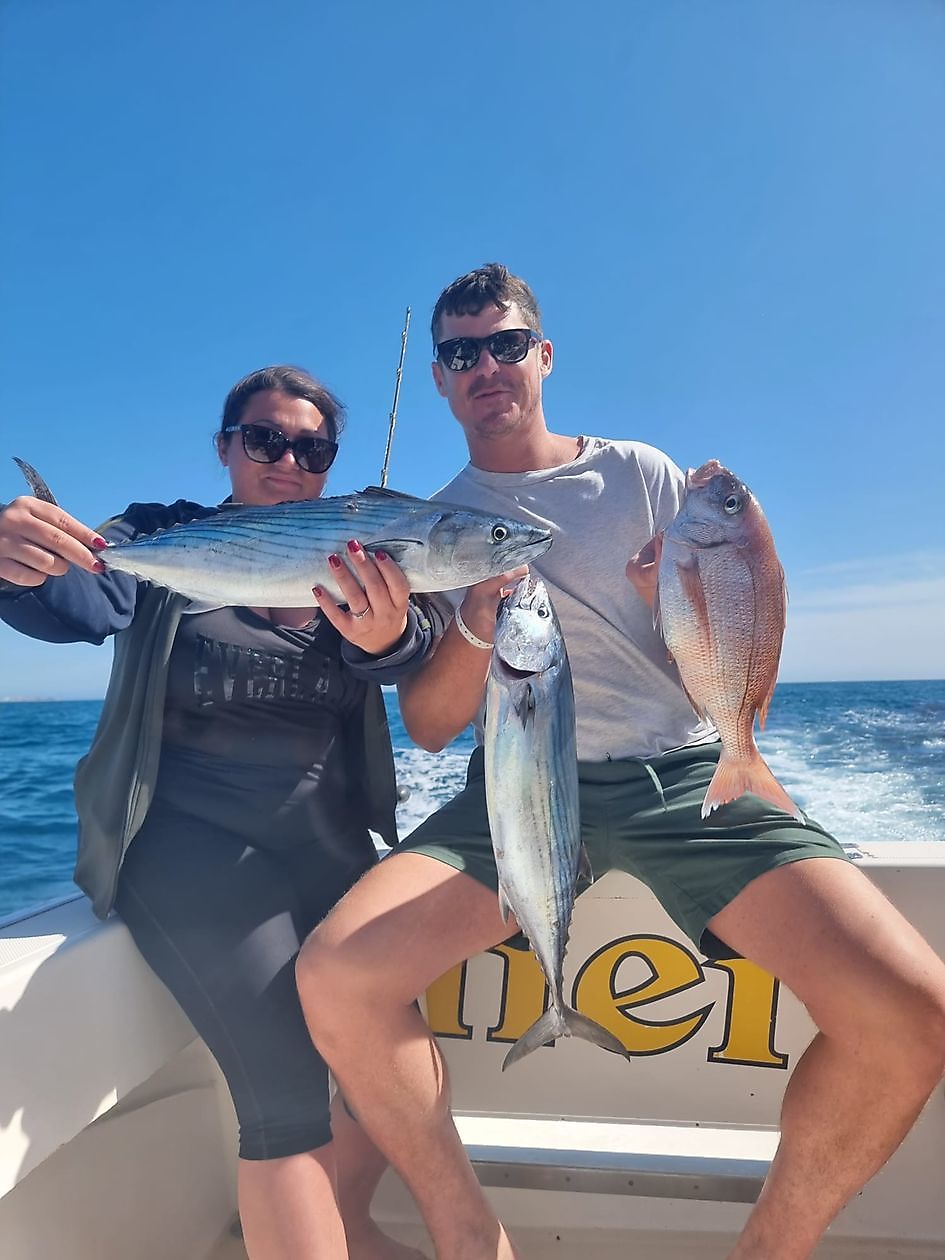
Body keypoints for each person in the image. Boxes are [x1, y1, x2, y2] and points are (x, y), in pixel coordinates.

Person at [296, 266, 945, 1260]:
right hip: (513, 786)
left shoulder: (641, 473)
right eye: (462, 352)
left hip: (681, 776)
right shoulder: (426, 526)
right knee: (338, 975)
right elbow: (428, 726)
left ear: (543, 356)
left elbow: (731, 624)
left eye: (506, 344)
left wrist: (662, 598)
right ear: (439, 378)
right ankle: (470, 1237)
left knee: (911, 1013)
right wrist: (472, 623)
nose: (486, 366)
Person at [0, 365, 437, 1260]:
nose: (288, 461)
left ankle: (352, 1227)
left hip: (328, 842)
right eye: (265, 439)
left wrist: (393, 634)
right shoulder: (162, 533)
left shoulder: (360, 549)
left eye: (312, 448)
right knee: (283, 1094)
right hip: (188, 847)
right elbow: (78, 600)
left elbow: (411, 650)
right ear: (225, 447)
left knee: (385, 1056)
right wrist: (17, 564)